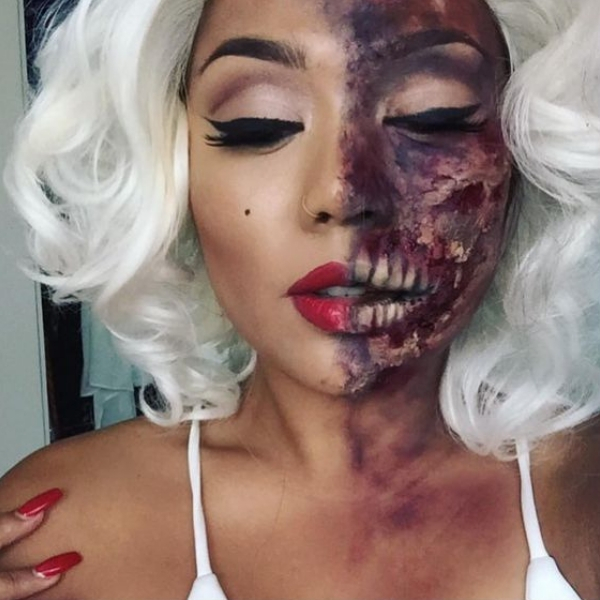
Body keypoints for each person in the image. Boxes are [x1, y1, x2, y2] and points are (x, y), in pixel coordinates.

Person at [1, 0, 600, 597]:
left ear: (525, 155)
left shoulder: (582, 496)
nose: (342, 192)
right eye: (259, 124)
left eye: (431, 115)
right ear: (174, 170)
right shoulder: (63, 534)